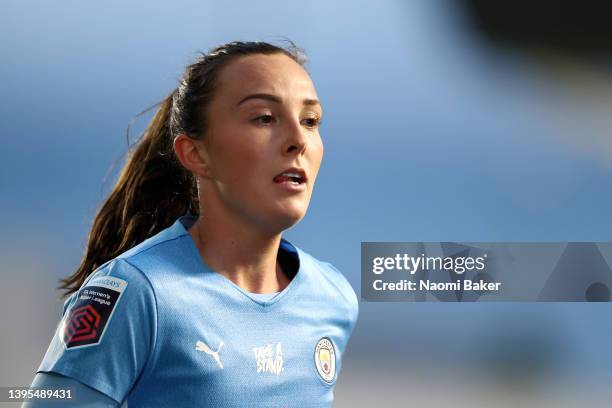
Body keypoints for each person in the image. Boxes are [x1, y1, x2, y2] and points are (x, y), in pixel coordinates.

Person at [25, 40, 359, 407]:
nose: (298, 140)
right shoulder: (135, 292)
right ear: (196, 154)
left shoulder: (332, 297)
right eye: (264, 118)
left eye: (310, 121)